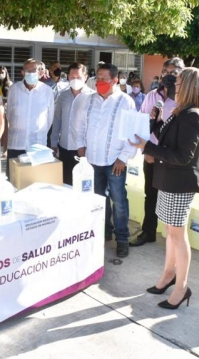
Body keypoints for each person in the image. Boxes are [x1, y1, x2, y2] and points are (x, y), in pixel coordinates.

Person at [129, 67, 199, 309]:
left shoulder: (192, 115)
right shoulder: (178, 111)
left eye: (180, 82)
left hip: (179, 183)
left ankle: (181, 287)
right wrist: (154, 121)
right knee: (170, 233)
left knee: (177, 235)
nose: (174, 85)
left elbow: (184, 156)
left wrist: (148, 148)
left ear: (190, 87)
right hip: (168, 180)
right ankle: (167, 275)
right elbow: (164, 139)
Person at [77, 63, 137, 258]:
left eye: (104, 78)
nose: (99, 82)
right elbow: (81, 125)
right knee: (97, 200)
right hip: (92, 160)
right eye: (98, 78)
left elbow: (132, 133)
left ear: (115, 80)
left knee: (118, 201)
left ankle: (122, 239)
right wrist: (81, 149)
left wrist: (123, 158)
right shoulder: (89, 100)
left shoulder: (126, 101)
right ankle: (104, 232)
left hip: (115, 161)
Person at [130, 57, 184, 247]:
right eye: (165, 72)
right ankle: (148, 232)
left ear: (181, 75)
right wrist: (146, 151)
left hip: (173, 158)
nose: (168, 76)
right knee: (150, 195)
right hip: (152, 153)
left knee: (172, 200)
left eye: (174, 73)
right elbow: (144, 123)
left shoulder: (185, 98)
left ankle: (173, 240)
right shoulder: (152, 95)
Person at [6, 58, 54, 175]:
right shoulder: (14, 89)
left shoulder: (47, 91)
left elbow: (49, 118)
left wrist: (38, 132)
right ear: (22, 72)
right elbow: (9, 114)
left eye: (34, 70)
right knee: (14, 179)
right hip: (16, 143)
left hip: (38, 146)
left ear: (40, 72)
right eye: (28, 70)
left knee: (36, 180)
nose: (31, 73)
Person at [51, 62, 94, 185]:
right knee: (65, 182)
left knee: (82, 184)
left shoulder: (92, 96)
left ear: (85, 77)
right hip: (64, 146)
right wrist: (54, 142)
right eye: (72, 77)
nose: (75, 80)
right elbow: (57, 119)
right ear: (68, 77)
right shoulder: (62, 96)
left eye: (79, 77)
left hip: (83, 149)